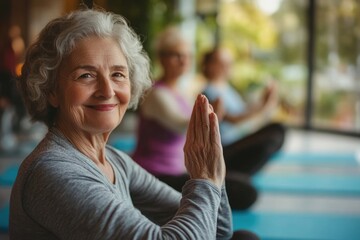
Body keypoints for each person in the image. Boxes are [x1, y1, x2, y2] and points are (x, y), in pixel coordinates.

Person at [9, 8, 259, 240]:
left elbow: (217, 230)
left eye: (118, 74)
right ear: (51, 90)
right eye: (86, 75)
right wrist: (205, 179)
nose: (107, 90)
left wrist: (213, 173)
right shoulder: (54, 174)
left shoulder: (115, 160)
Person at [132, 27, 258, 211]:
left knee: (242, 181)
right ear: (161, 58)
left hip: (183, 171)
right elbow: (182, 126)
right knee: (245, 191)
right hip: (157, 176)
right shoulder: (156, 93)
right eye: (176, 55)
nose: (183, 61)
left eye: (187, 56)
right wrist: (210, 113)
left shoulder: (183, 92)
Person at [201, 47, 286, 176]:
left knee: (277, 131)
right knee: (277, 131)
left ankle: (240, 176)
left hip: (237, 140)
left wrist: (264, 102)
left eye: (230, 63)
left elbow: (244, 112)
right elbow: (234, 119)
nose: (228, 67)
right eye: (223, 63)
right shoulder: (209, 91)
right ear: (210, 65)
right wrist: (263, 106)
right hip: (225, 149)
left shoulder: (228, 89)